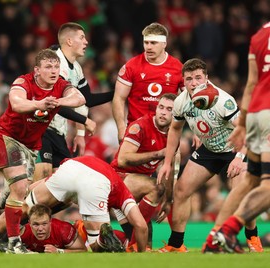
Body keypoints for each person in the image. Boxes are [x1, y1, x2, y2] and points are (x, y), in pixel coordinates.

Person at [0, 48, 85, 253]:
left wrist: (58, 101)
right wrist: (40, 103)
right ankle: (14, 242)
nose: (53, 71)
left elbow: (79, 98)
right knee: (21, 189)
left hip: (32, 147)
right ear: (36, 70)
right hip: (8, 138)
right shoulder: (23, 82)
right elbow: (16, 103)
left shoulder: (60, 86)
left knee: (12, 195)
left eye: (56, 67)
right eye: (48, 67)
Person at [156, 58, 260, 253]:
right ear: (183, 81)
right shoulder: (181, 102)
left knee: (240, 193)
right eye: (189, 79)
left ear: (206, 78)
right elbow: (175, 130)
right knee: (181, 190)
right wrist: (168, 162)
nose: (194, 83)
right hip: (210, 150)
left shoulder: (223, 100)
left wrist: (239, 157)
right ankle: (176, 244)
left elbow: (246, 131)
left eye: (198, 78)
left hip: (235, 148)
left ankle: (252, 238)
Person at [0, 155, 148, 253]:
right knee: (94, 245)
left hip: (73, 167)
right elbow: (140, 226)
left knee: (22, 205)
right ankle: (101, 239)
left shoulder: (113, 180)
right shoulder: (123, 192)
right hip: (96, 185)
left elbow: (25, 199)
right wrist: (141, 252)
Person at [212, 21, 270, 253]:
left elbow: (251, 83)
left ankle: (214, 237)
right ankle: (229, 230)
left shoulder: (258, 35)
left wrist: (243, 123)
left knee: (250, 180)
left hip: (256, 111)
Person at [34, 22, 112, 181]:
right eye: (82, 38)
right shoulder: (54, 63)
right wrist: (85, 121)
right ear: (69, 41)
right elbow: (54, 104)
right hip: (40, 128)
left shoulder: (76, 68)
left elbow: (87, 100)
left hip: (58, 133)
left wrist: (120, 91)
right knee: (42, 182)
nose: (86, 42)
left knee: (63, 189)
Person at [110, 93, 177, 250]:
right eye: (161, 107)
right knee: (156, 187)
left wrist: (168, 200)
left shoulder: (173, 134)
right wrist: (158, 153)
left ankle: (105, 238)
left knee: (146, 244)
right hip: (117, 178)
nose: (163, 112)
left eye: (169, 109)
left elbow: (167, 168)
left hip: (137, 187)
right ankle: (132, 244)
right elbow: (122, 160)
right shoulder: (140, 126)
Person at [112, 22, 184, 143]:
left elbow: (190, 100)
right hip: (136, 132)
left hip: (166, 135)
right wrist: (121, 128)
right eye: (146, 42)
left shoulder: (178, 68)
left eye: (153, 43)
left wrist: (195, 131)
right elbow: (119, 98)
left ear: (164, 44)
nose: (148, 47)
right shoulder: (132, 66)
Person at [0, 204, 87, 253]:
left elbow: (83, 250)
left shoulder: (64, 230)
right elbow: (2, 245)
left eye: (44, 224)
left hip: (77, 230)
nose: (40, 229)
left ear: (50, 222)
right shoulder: (23, 232)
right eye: (36, 224)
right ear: (29, 224)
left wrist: (59, 251)